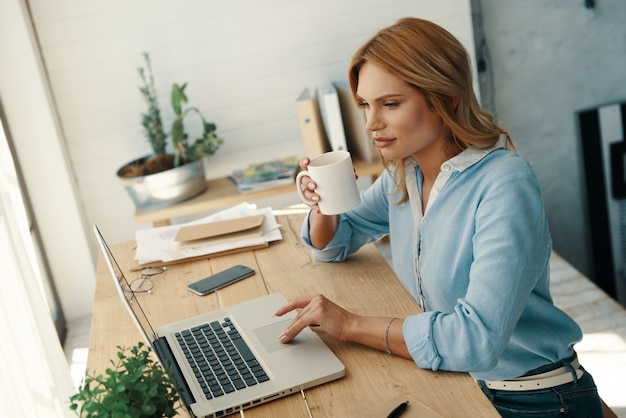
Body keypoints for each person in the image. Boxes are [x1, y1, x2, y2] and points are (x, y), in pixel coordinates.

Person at [274, 17, 604, 417]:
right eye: (365, 104)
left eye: (390, 104)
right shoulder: (405, 176)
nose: (371, 123)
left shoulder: (504, 184)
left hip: (532, 398)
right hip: (458, 381)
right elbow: (335, 243)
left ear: (445, 98)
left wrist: (351, 326)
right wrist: (321, 206)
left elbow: (475, 340)